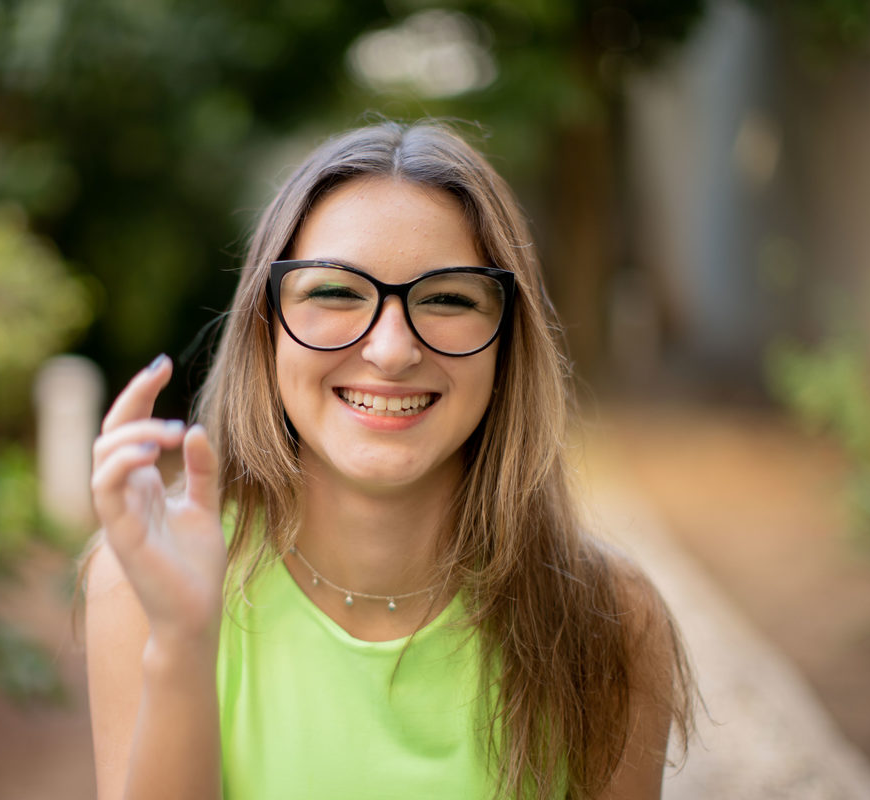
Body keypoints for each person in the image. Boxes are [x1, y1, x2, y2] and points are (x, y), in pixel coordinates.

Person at [84, 120, 694, 800]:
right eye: (336, 292)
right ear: (266, 327)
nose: (392, 350)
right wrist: (179, 641)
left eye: (448, 298)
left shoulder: (609, 620)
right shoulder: (142, 581)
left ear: (507, 344)